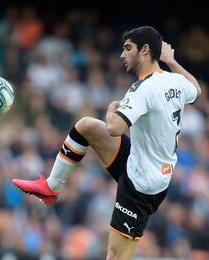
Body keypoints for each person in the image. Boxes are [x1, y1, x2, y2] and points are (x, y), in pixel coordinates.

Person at [12, 26, 201, 259]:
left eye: (128, 48)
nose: (122, 55)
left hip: (141, 186)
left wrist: (112, 109)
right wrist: (171, 61)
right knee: (86, 127)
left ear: (145, 50)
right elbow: (196, 90)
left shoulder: (143, 89)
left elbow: (114, 128)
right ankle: (51, 187)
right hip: (141, 162)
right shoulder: (174, 81)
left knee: (115, 255)